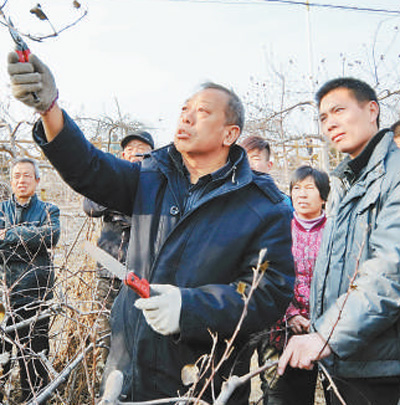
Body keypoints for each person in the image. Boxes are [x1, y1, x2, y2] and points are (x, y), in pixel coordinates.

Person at [7, 52, 294, 404]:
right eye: (184, 108)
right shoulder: (150, 176)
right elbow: (90, 168)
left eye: (203, 111)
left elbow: (266, 293)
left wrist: (190, 307)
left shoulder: (263, 206)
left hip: (202, 381)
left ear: (230, 133)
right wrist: (50, 109)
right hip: (128, 371)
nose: (186, 116)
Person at [277, 77, 400, 405]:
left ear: (372, 110)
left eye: (339, 110)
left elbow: (390, 271)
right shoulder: (345, 183)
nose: (330, 123)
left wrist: (327, 334)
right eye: (323, 117)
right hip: (343, 360)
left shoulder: (394, 176)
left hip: (380, 367)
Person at [259, 165, 330, 405]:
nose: (301, 194)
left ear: (324, 196)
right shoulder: (278, 230)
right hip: (284, 332)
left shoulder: (336, 231)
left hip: (329, 331)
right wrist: (289, 315)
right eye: (296, 188)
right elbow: (266, 277)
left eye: (309, 188)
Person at [83, 131, 154, 361]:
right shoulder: (111, 176)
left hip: (145, 272)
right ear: (123, 155)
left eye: (142, 149)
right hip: (109, 269)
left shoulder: (158, 181)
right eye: (130, 149)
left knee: (140, 337)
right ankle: (104, 378)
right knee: (106, 335)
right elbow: (91, 207)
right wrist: (117, 186)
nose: (136, 153)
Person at [0, 158, 60, 402]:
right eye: (16, 176)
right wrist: (31, 239)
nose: (21, 180)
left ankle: (33, 399)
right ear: (11, 181)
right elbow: (38, 238)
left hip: (36, 296)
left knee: (34, 362)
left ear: (37, 180)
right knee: (1, 359)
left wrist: (9, 234)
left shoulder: (49, 210)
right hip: (4, 298)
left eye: (27, 175)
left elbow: (51, 236)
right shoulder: (1, 210)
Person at [240, 136, 292, 208]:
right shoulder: (230, 198)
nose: (249, 163)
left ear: (269, 166)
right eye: (245, 158)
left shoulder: (284, 203)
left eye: (255, 158)